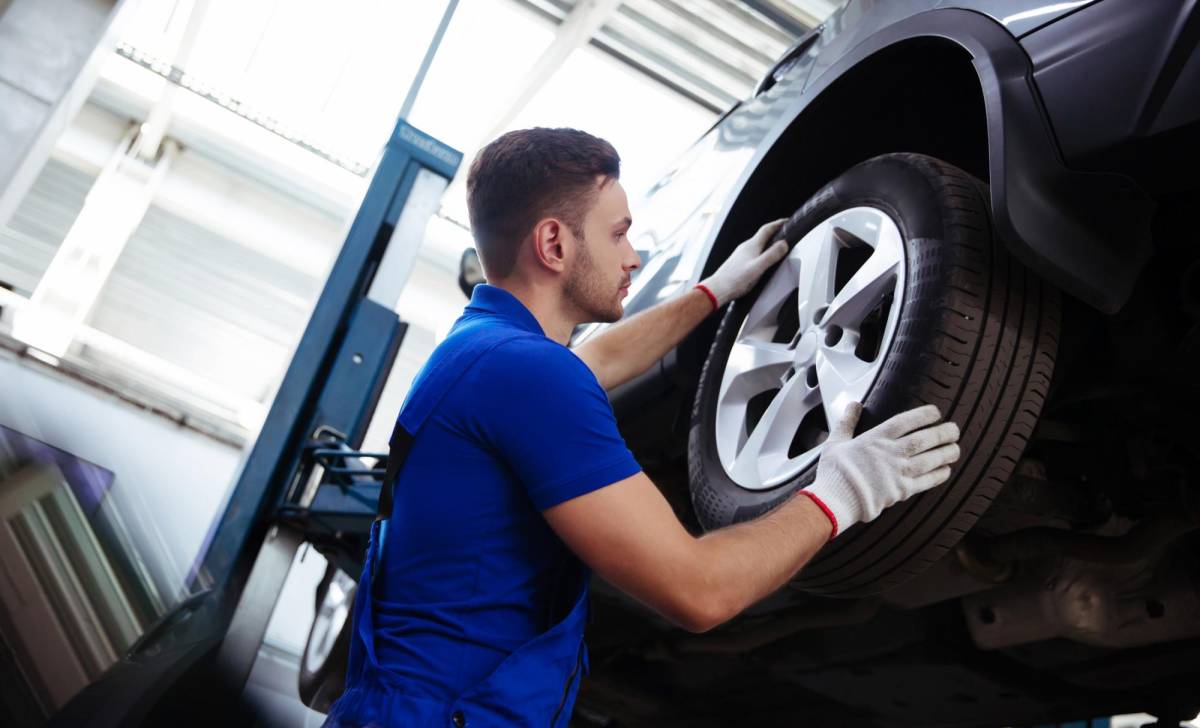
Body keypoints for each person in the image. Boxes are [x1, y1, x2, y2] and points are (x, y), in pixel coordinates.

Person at [322, 128, 960, 727]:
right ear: (554, 244)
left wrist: (712, 293)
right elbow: (698, 591)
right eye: (619, 234)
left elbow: (596, 362)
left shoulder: (485, 352)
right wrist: (842, 492)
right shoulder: (523, 373)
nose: (634, 256)